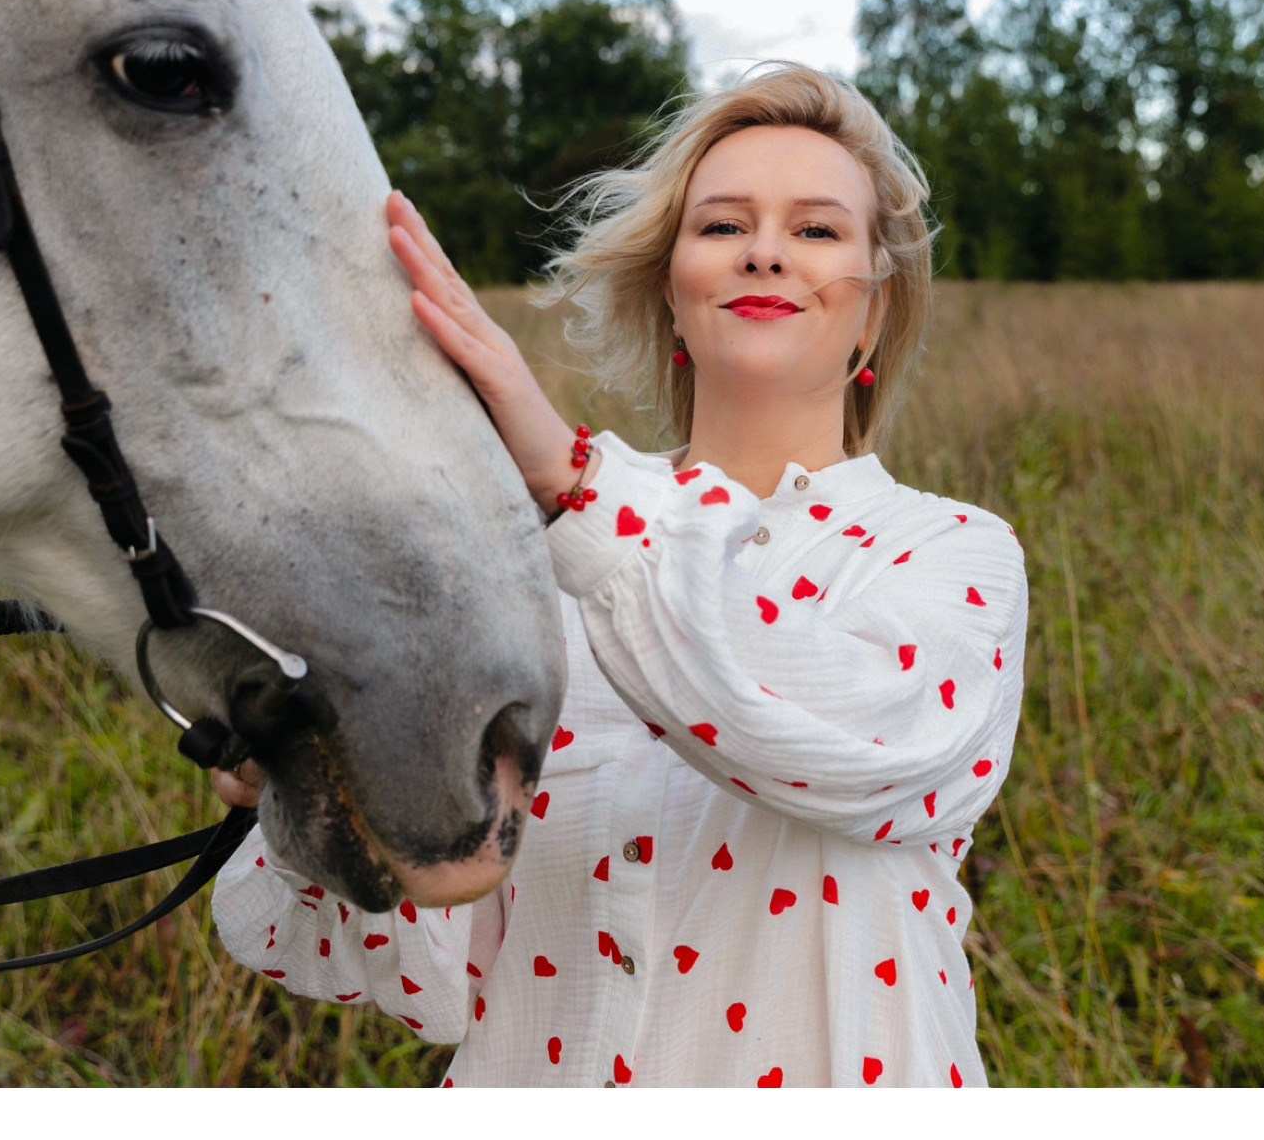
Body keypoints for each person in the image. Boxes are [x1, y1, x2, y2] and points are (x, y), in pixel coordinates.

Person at [209, 66, 1027, 1087]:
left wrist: (573, 488)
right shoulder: (530, 575)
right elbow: (430, 976)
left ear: (875, 308)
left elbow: (848, 742)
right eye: (723, 226)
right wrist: (313, 798)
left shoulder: (949, 555)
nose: (765, 251)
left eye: (817, 230)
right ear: (670, 292)